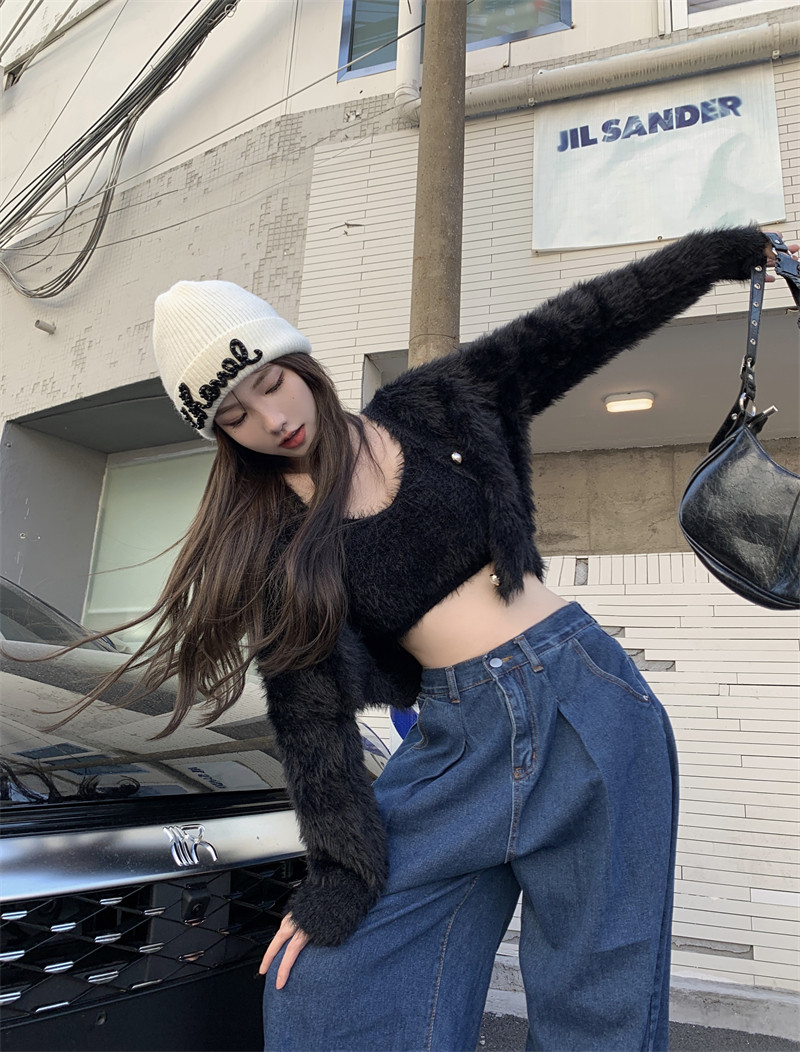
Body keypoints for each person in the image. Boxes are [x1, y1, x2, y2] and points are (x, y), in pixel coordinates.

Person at [123, 227, 791, 1051]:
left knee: (601, 1001)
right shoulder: (276, 540)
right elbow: (309, 716)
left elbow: (585, 321)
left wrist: (720, 255)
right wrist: (338, 870)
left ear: (298, 360)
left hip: (586, 698)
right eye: (235, 415)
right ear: (220, 434)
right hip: (457, 740)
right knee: (329, 986)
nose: (272, 419)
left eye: (271, 383)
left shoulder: (431, 406)